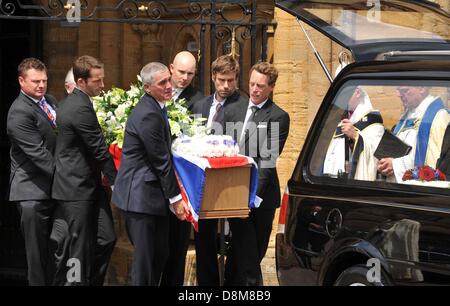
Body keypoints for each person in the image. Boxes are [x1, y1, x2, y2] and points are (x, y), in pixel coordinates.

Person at [112, 62, 188, 286]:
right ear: (146, 87)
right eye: (162, 83)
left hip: (152, 197)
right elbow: (160, 160)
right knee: (145, 263)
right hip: (140, 198)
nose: (168, 85)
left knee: (160, 254)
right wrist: (176, 199)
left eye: (168, 79)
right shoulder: (148, 113)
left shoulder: (157, 107)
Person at [52, 55, 117, 285]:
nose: (102, 85)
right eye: (97, 81)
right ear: (81, 82)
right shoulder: (78, 107)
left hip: (89, 186)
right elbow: (99, 149)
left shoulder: (82, 102)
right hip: (75, 189)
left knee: (106, 238)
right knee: (76, 250)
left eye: (102, 80)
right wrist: (118, 182)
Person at [224, 62, 290, 285]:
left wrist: (250, 199)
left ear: (271, 87)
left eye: (260, 86)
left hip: (261, 198)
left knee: (252, 252)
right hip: (234, 193)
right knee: (247, 257)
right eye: (252, 84)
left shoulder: (278, 116)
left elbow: (267, 163)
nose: (254, 89)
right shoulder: (234, 109)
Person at [191, 54, 247, 286]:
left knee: (237, 238)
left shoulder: (244, 107)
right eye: (222, 80)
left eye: (231, 80)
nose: (226, 86)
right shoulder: (200, 105)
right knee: (203, 237)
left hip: (231, 181)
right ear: (213, 77)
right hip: (203, 181)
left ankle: (233, 285)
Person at [6, 58, 57, 285]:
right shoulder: (18, 112)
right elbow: (40, 156)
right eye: (35, 81)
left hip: (53, 190)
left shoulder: (51, 102)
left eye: (44, 80)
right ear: (21, 81)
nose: (41, 85)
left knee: (56, 248)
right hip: (31, 193)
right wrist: (71, 179)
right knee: (37, 257)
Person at [160, 51, 204, 286]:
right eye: (181, 72)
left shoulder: (198, 100)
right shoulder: (159, 91)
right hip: (157, 180)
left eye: (190, 73)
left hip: (181, 180)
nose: (185, 78)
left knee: (177, 243)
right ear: (171, 68)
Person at [378, 86, 450, 182]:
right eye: (398, 90)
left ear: (422, 88)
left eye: (404, 90)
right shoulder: (408, 115)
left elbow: (436, 160)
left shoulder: (439, 116)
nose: (398, 95)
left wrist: (395, 165)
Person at [323, 86, 385, 180]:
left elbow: (376, 156)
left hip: (355, 182)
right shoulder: (341, 118)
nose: (342, 98)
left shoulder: (373, 121)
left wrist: (355, 136)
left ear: (358, 93)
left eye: (345, 94)